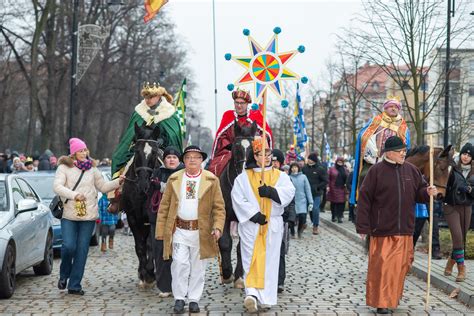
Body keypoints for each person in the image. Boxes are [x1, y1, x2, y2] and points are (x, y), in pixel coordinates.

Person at [356, 136, 438, 314]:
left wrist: (428, 192)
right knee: (383, 267)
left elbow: (420, 192)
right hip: (382, 229)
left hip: (405, 229)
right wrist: (362, 226)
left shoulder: (411, 170)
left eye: (404, 151)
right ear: (389, 153)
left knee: (402, 266)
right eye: (401, 151)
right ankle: (381, 302)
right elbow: (364, 199)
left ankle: (391, 298)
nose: (404, 153)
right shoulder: (376, 171)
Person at [156, 145, 225, 314]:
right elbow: (164, 207)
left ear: (202, 160)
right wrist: (160, 231)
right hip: (179, 229)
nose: (192, 160)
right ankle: (179, 298)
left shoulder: (211, 179)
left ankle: (194, 299)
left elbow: (219, 207)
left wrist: (217, 227)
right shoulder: (174, 179)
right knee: (179, 264)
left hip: (201, 231)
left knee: (198, 267)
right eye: (188, 157)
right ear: (184, 160)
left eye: (196, 157)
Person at [231, 137, 295, 312]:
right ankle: (251, 294)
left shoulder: (280, 176)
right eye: (262, 153)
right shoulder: (243, 178)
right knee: (250, 257)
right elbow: (238, 198)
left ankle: (266, 297)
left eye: (268, 153)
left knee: (270, 260)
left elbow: (289, 192)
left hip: (272, 223)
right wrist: (253, 215)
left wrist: (272, 192)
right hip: (252, 225)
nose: (266, 156)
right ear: (255, 156)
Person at [53, 138, 123, 295]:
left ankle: (75, 285)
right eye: (80, 151)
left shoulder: (93, 169)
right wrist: (74, 195)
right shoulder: (64, 168)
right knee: (68, 246)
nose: (84, 153)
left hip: (88, 216)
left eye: (85, 150)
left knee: (82, 250)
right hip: (69, 214)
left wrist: (118, 181)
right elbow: (57, 186)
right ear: (73, 153)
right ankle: (64, 275)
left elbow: (103, 187)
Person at [111, 82, 182, 179]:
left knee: (171, 168)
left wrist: (161, 141)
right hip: (140, 146)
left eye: (151, 97)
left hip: (161, 148)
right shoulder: (139, 112)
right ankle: (118, 187)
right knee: (119, 159)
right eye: (146, 96)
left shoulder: (169, 113)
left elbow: (173, 136)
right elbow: (130, 134)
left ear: (159, 96)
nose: (148, 99)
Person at [350, 97, 410, 206]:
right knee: (364, 175)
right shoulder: (376, 120)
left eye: (396, 107)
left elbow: (406, 144)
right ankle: (362, 202)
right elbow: (363, 135)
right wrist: (371, 147)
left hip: (392, 161)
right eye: (390, 107)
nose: (393, 109)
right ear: (385, 108)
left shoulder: (403, 125)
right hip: (373, 160)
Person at [208, 88, 272, 177]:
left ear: (247, 104)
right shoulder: (228, 115)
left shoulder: (256, 115)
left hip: (253, 152)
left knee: (265, 170)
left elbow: (265, 136)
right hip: (231, 152)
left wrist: (256, 148)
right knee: (216, 168)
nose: (239, 105)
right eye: (236, 102)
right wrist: (232, 147)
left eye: (242, 103)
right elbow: (221, 138)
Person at [148, 146, 183, 298]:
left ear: (179, 159)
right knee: (160, 251)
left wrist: (161, 187)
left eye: (174, 157)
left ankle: (180, 285)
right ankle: (164, 286)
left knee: (179, 254)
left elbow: (179, 190)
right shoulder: (157, 172)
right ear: (165, 159)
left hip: (180, 218)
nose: (171, 160)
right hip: (159, 217)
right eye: (168, 157)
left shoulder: (184, 173)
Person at [443, 142, 474, 282]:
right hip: (451, 205)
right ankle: (461, 268)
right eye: (464, 154)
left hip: (466, 206)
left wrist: (470, 190)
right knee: (457, 235)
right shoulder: (452, 167)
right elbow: (443, 182)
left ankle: (451, 261)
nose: (465, 157)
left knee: (461, 238)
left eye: (469, 155)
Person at [302, 152, 328, 234]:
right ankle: (303, 223)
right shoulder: (304, 168)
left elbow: (325, 181)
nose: (308, 160)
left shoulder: (320, 169)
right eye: (308, 159)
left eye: (310, 159)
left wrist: (318, 187)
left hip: (316, 193)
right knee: (305, 209)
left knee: (315, 209)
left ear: (314, 160)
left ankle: (315, 226)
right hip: (306, 193)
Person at [289, 162, 312, 239]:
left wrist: (311, 202)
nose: (294, 169)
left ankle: (299, 231)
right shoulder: (289, 177)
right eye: (292, 167)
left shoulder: (303, 177)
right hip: (292, 202)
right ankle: (292, 232)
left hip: (302, 200)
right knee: (292, 219)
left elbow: (307, 189)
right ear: (291, 169)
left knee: (302, 217)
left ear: (298, 168)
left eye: (296, 167)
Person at [327, 157, 349, 223]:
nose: (340, 163)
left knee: (341, 203)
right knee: (333, 203)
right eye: (339, 161)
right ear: (336, 162)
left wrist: (346, 185)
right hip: (333, 188)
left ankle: (340, 216)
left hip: (342, 188)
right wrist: (327, 186)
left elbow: (347, 178)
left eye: (341, 162)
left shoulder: (345, 170)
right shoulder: (332, 169)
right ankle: (334, 216)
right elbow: (328, 178)